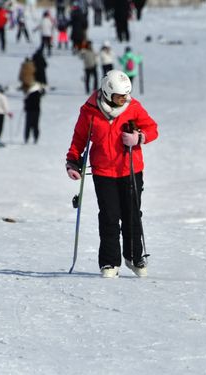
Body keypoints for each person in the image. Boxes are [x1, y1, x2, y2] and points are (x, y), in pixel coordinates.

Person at [65, 70, 158, 278]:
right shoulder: (89, 111)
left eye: (126, 94)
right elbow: (79, 139)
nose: (124, 99)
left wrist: (139, 138)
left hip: (131, 169)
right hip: (103, 171)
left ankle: (134, 256)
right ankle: (109, 262)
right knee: (109, 216)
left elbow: (153, 129)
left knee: (132, 214)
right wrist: (72, 162)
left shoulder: (133, 107)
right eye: (120, 95)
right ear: (107, 92)